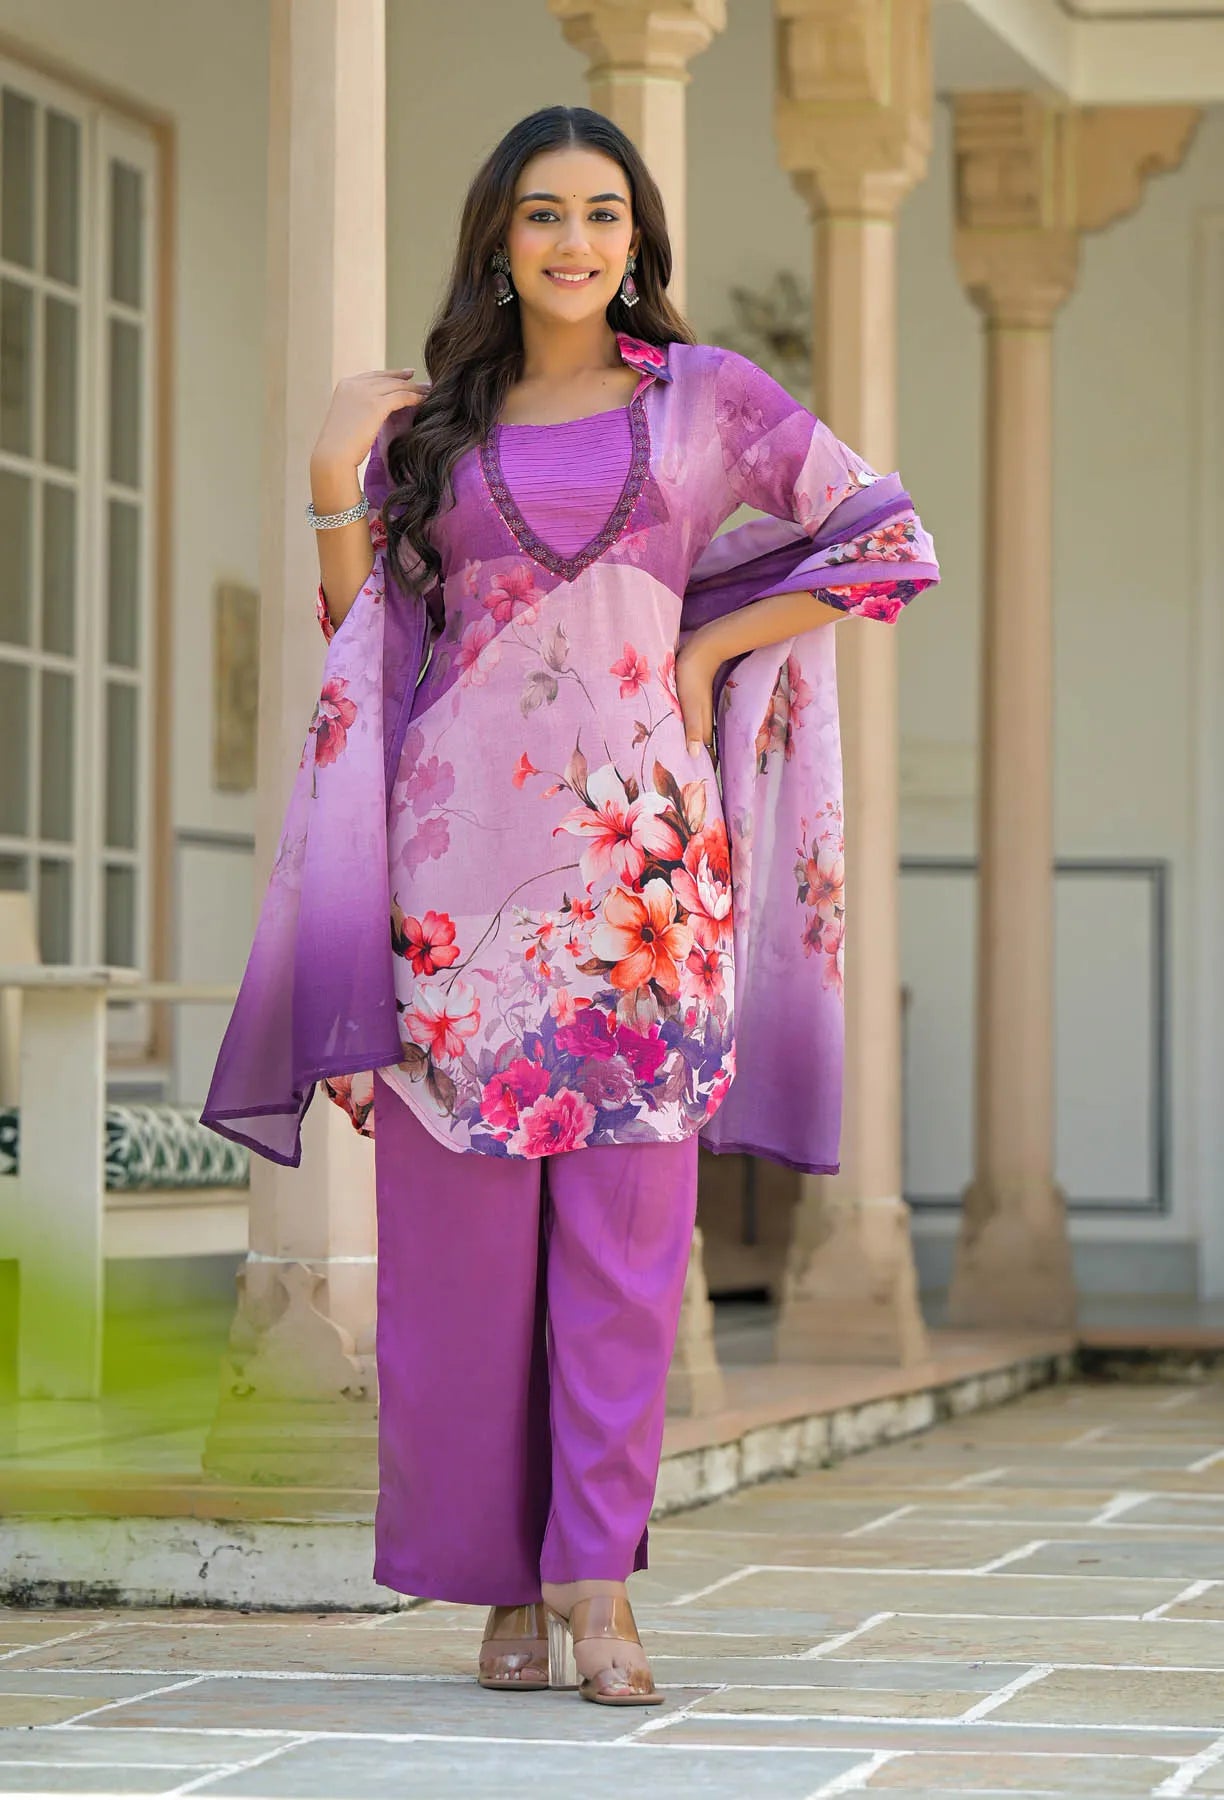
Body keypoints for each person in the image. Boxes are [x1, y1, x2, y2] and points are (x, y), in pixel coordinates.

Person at [201, 104, 938, 1706]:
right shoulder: (434, 433)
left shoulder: (706, 404)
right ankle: (497, 1598)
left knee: (621, 1262)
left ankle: (598, 1592)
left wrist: (701, 651)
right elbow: (364, 650)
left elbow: (890, 538)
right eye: (543, 213)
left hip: (640, 893)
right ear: (498, 238)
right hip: (453, 891)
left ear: (637, 240)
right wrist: (339, 469)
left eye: (604, 213)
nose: (575, 240)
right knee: (457, 1279)